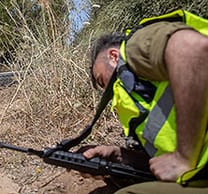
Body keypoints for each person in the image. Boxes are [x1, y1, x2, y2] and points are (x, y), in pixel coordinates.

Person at [85, 11, 208, 193]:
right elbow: (161, 162)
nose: (107, 92)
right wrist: (120, 155)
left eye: (102, 80)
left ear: (113, 56)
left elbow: (191, 47)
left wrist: (183, 157)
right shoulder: (137, 93)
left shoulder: (133, 49)